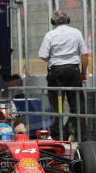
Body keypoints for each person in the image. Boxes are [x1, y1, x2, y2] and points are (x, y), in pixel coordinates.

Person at [38, 10, 88, 141]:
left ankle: (58, 136)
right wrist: (83, 72)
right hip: (73, 71)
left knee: (56, 105)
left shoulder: (50, 35)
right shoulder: (76, 33)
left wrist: (54, 59)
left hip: (56, 71)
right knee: (77, 104)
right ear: (68, 20)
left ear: (53, 22)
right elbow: (85, 55)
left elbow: (43, 55)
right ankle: (82, 136)